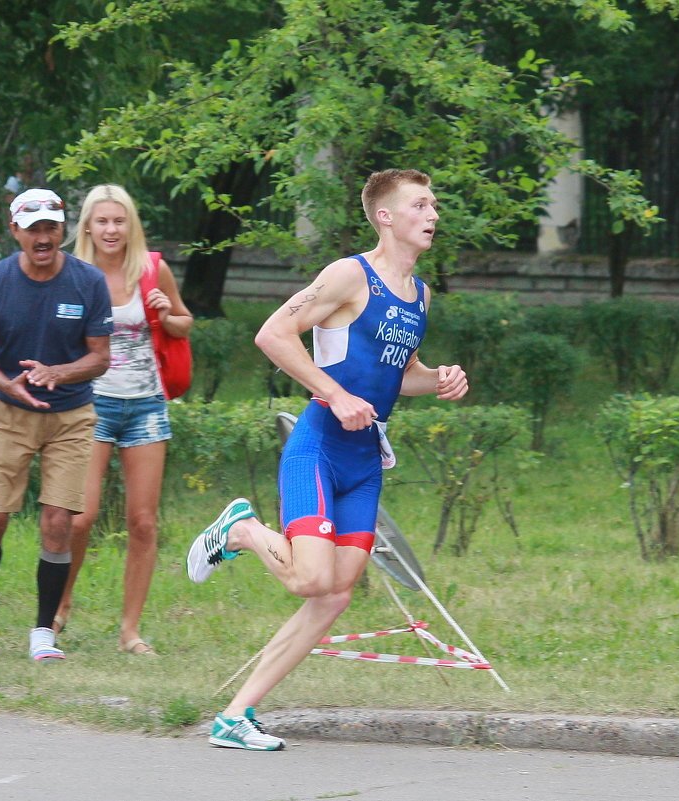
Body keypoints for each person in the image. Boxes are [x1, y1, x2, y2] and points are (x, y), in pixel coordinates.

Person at [185, 169, 468, 751]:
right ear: (386, 217)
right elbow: (273, 335)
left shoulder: (420, 294)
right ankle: (239, 530)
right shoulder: (348, 275)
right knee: (310, 577)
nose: (433, 213)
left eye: (434, 204)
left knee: (335, 593)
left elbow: (402, 372)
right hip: (319, 443)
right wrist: (335, 395)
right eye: (420, 204)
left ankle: (235, 716)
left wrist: (439, 378)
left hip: (365, 459)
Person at [0, 187, 111, 662]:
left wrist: (57, 373)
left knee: (59, 522)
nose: (43, 237)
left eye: (51, 228)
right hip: (8, 413)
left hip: (70, 416)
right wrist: (11, 385)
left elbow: (100, 357)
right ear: (15, 231)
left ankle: (43, 631)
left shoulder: (88, 282)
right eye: (33, 228)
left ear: (63, 230)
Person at [53, 184, 193, 654]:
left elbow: (184, 323)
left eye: (119, 221)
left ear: (130, 225)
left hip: (146, 404)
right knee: (79, 517)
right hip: (89, 403)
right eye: (102, 221)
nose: (111, 229)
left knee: (143, 522)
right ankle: (60, 606)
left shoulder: (152, 268)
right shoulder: (72, 274)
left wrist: (166, 313)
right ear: (87, 227)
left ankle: (130, 631)